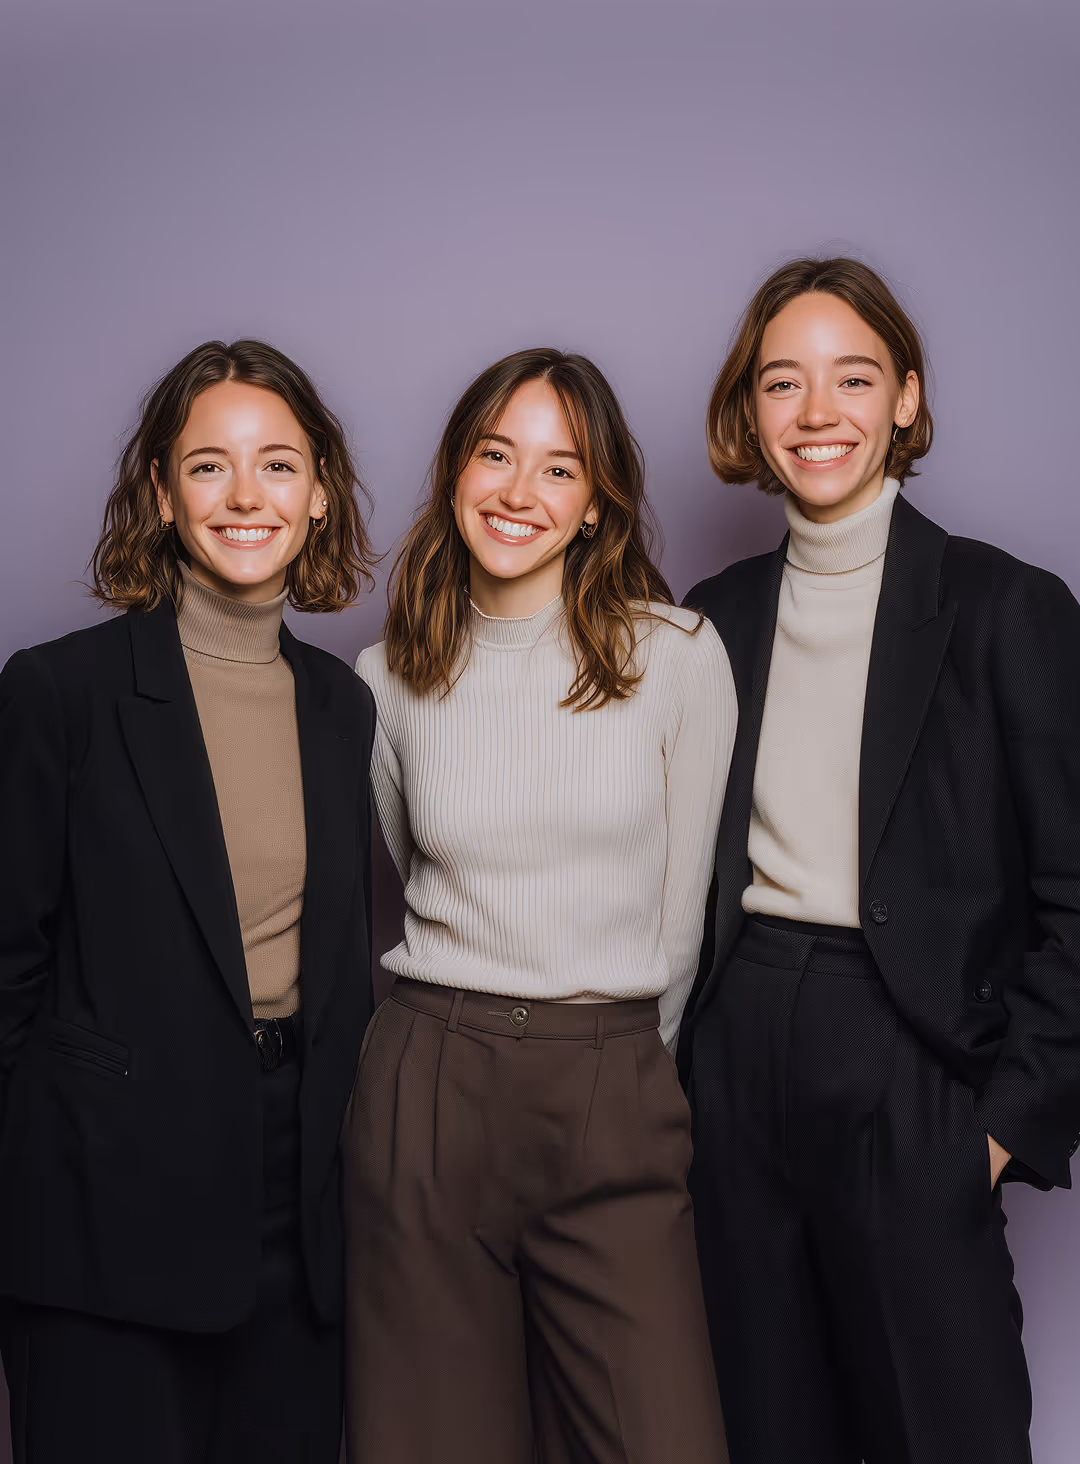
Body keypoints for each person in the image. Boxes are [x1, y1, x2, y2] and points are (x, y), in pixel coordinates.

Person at [682, 257, 1080, 1464]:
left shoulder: (1007, 606)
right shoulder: (714, 615)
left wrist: (1000, 1128)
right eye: (783, 383)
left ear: (906, 397)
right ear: (749, 412)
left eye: (853, 379)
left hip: (911, 1060)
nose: (817, 414)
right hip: (736, 1053)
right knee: (762, 1430)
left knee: (941, 1430)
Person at [343, 347, 735, 1463]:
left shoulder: (679, 658)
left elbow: (681, 917)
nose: (520, 493)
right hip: (429, 1079)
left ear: (599, 502)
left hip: (611, 1079)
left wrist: (622, 1076)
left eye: (560, 470)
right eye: (495, 454)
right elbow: (413, 869)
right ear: (455, 470)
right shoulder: (383, 679)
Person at [0, 339, 377, 1463]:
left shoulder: (340, 706)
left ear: (319, 494)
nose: (246, 495)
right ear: (162, 495)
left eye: (278, 465)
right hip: (103, 1205)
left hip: (297, 1208)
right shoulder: (58, 692)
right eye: (209, 466)